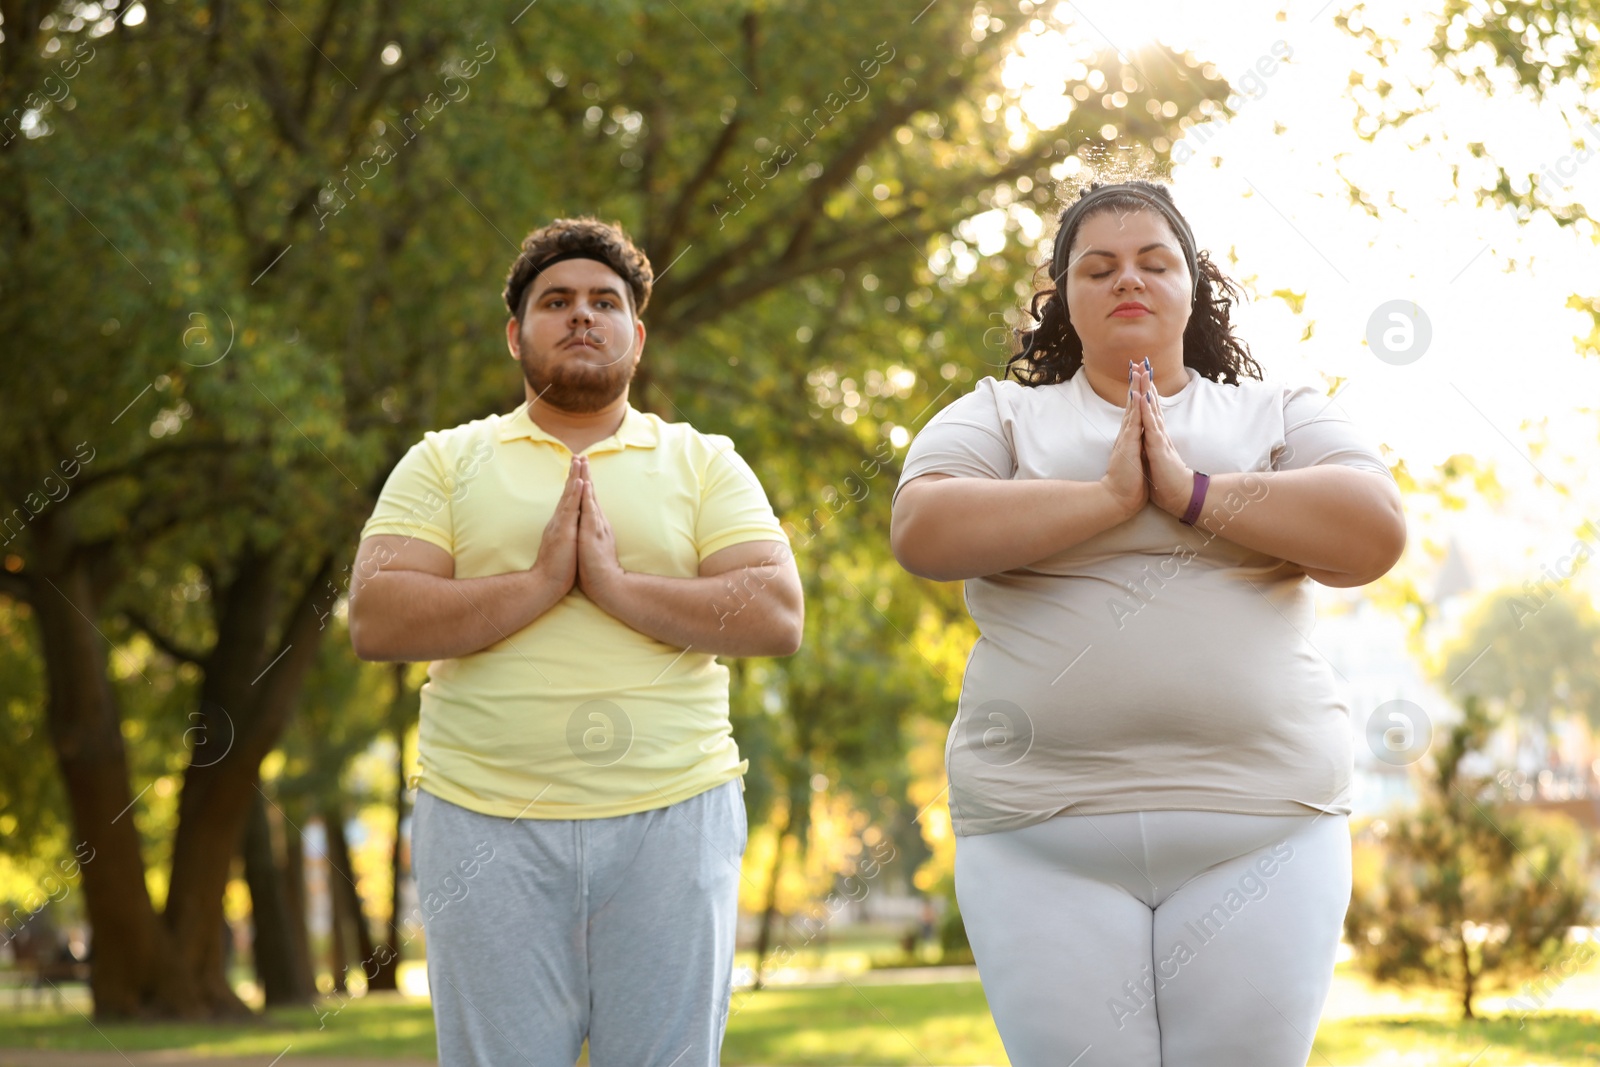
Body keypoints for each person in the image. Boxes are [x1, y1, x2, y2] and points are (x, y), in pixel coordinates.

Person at [889, 178, 1405, 1066]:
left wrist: (1193, 492)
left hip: (1263, 825)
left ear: (1192, 285)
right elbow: (924, 529)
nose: (1128, 278)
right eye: (1099, 267)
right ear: (1064, 298)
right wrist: (1106, 498)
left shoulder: (1277, 411)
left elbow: (1371, 530)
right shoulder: (1002, 415)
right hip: (1039, 833)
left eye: (1153, 261)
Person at [348, 217, 803, 1066]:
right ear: (517, 334)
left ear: (638, 332)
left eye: (606, 301)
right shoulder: (445, 460)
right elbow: (376, 616)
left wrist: (617, 587)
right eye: (556, 301)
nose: (582, 316)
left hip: (675, 813)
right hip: (483, 822)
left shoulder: (704, 461)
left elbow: (776, 611)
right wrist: (536, 584)